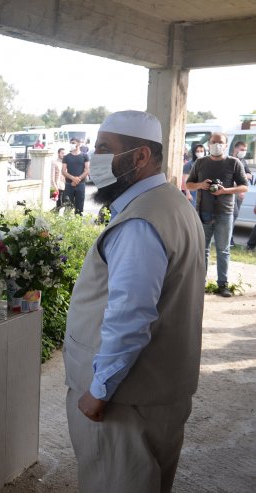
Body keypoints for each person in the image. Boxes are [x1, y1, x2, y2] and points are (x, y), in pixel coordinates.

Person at [64, 110, 205, 492]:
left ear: (140, 157)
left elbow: (130, 316)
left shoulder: (141, 222)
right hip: (158, 392)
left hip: (125, 403)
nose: (95, 159)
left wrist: (99, 389)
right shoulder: (172, 203)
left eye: (104, 149)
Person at [186, 132, 248, 297]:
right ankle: (200, 283)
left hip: (225, 213)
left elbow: (244, 187)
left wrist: (225, 191)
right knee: (202, 250)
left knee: (223, 250)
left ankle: (223, 284)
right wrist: (201, 185)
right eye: (213, 142)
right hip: (203, 212)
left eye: (220, 142)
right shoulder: (200, 163)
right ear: (208, 144)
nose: (216, 145)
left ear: (226, 145)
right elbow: (188, 184)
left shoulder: (234, 163)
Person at [230, 140, 252, 245]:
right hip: (231, 192)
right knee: (233, 214)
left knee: (235, 216)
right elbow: (231, 178)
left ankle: (229, 238)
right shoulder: (230, 160)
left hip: (240, 193)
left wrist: (243, 176)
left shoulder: (243, 161)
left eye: (245, 150)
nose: (243, 152)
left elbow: (249, 175)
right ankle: (228, 238)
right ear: (235, 149)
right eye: (242, 149)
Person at [61, 138, 90, 214]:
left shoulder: (84, 156)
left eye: (73, 143)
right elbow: (63, 171)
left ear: (79, 144)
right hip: (69, 185)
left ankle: (78, 224)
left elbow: (87, 170)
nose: (72, 144)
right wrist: (73, 178)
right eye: (71, 143)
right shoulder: (66, 157)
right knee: (67, 207)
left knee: (79, 209)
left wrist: (78, 179)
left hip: (80, 185)